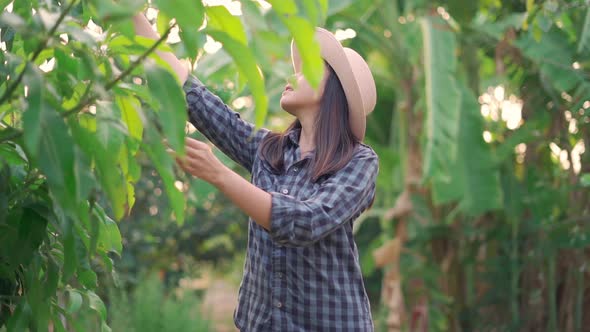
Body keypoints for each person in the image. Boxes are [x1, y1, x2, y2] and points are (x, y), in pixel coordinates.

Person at [133, 12, 379, 331]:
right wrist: (132, 15)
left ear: (334, 94)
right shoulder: (267, 150)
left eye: (309, 71)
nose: (293, 75)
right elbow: (194, 97)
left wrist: (219, 175)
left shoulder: (359, 162)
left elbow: (306, 222)